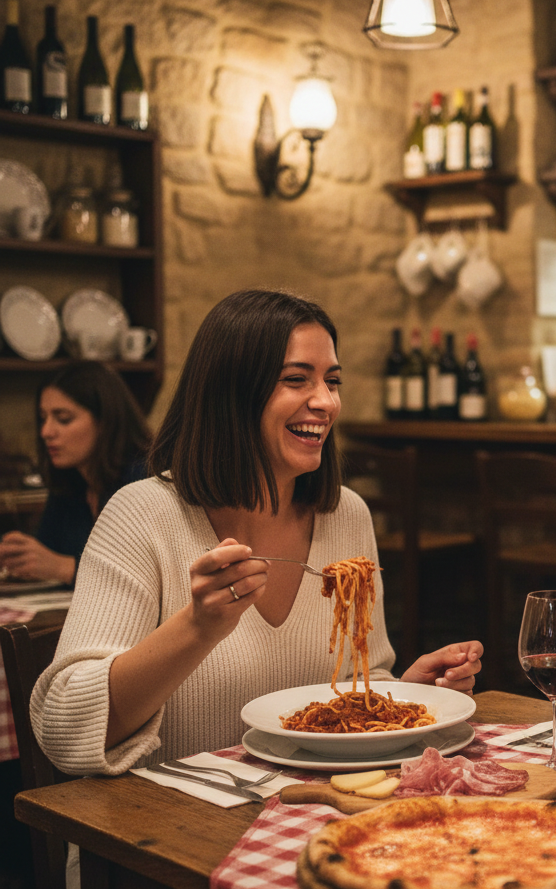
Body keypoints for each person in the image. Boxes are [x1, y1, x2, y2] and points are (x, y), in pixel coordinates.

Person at [30, 289, 483, 779]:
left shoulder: (346, 515)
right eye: (296, 380)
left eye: (332, 381)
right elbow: (63, 727)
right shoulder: (142, 515)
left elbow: (360, 676)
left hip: (303, 812)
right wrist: (197, 628)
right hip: (165, 827)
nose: (325, 401)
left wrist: (403, 693)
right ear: (231, 393)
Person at [0, 361, 151, 585]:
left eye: (63, 419)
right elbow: (46, 552)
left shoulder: (143, 481)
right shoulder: (69, 483)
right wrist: (20, 556)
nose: (46, 432)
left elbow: (146, 577)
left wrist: (62, 567)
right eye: (43, 418)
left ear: (105, 421)